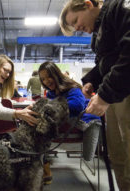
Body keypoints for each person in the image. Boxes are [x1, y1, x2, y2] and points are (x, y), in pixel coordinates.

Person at [60, 0, 130, 190]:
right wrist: (92, 81)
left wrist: (105, 94)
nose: (78, 27)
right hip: (116, 97)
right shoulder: (97, 36)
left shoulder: (118, 7)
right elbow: (105, 64)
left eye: (75, 21)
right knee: (118, 155)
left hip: (124, 92)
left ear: (87, 4)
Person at [38, 61, 85, 185]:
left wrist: (51, 107)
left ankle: (44, 167)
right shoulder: (50, 93)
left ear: (56, 74)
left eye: (49, 76)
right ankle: (43, 166)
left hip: (74, 127)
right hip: (57, 129)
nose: (46, 81)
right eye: (43, 79)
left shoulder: (72, 88)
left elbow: (78, 106)